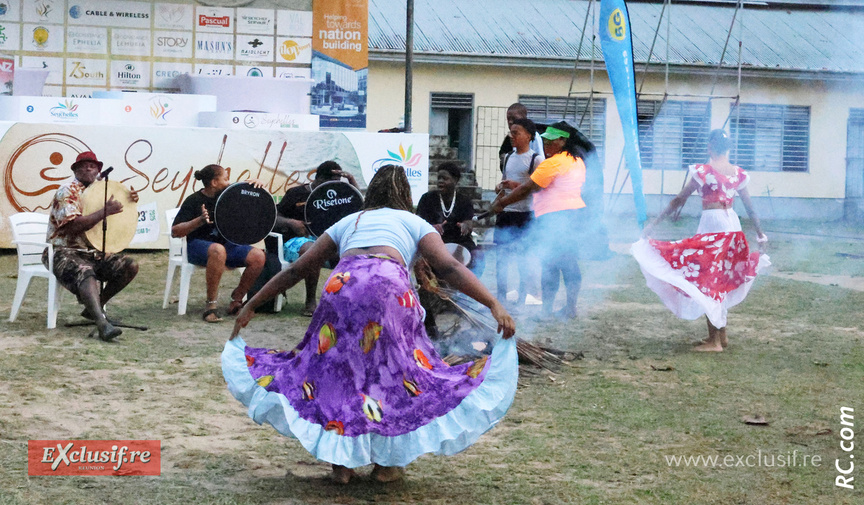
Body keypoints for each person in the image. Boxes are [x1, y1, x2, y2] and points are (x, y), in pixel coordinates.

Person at [223, 165, 517, 484]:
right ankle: (386, 465)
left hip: (342, 287)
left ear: (371, 193)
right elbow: (449, 267)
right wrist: (493, 303)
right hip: (388, 289)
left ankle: (342, 465)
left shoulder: (351, 221)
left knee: (338, 373)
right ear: (405, 195)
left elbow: (296, 270)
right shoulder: (414, 222)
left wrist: (252, 303)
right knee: (396, 375)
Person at [632, 129, 770, 352]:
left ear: (709, 147)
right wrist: (760, 234)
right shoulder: (738, 173)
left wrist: (654, 224)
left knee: (709, 281)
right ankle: (719, 336)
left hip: (713, 225)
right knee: (718, 280)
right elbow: (749, 207)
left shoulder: (703, 171)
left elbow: (679, 199)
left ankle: (715, 341)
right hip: (732, 228)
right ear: (728, 148)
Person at [490, 121, 588, 319]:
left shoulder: (552, 163)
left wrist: (502, 203)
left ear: (563, 141)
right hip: (574, 216)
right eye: (545, 140)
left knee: (550, 264)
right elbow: (546, 186)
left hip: (555, 218)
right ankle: (570, 307)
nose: (546, 143)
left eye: (552, 140)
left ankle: (546, 311)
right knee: (569, 263)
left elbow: (529, 189)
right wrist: (517, 184)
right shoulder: (576, 161)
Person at [43, 151, 140, 342]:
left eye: (93, 166)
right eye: (84, 165)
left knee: (130, 266)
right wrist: (104, 211)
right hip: (62, 251)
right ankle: (102, 323)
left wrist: (129, 199)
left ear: (98, 171)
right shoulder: (67, 192)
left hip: (91, 252)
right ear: (76, 170)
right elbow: (73, 227)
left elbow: (118, 217)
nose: (89, 168)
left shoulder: (102, 190)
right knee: (85, 270)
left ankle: (92, 308)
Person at [171, 164, 266, 323]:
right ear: (214, 182)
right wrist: (199, 221)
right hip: (197, 247)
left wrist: (257, 185)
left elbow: (249, 196)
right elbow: (175, 231)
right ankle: (210, 306)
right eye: (226, 179)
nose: (229, 183)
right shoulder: (194, 200)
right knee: (218, 250)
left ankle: (237, 299)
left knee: (258, 256)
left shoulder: (230, 196)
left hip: (226, 246)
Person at [267, 160, 358, 316]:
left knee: (351, 251)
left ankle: (344, 299)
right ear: (319, 179)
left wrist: (352, 181)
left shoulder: (341, 193)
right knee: (312, 250)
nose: (335, 187)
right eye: (331, 182)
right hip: (298, 241)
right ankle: (310, 301)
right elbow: (273, 217)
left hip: (329, 239)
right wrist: (291, 222)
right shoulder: (296, 193)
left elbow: (361, 207)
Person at [495, 117, 541, 307]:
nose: (511, 136)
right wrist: (500, 188)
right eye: (510, 133)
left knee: (523, 259)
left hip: (525, 215)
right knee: (501, 258)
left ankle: (522, 297)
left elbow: (538, 188)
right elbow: (505, 182)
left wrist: (517, 186)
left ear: (528, 136)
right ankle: (501, 297)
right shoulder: (507, 157)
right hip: (506, 214)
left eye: (516, 133)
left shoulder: (535, 160)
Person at [415, 162, 481, 271]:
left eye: (445, 178)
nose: (440, 181)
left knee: (478, 255)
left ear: (455, 181)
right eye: (439, 178)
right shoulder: (427, 199)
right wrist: (431, 227)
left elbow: (469, 222)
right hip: (434, 242)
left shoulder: (464, 201)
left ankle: (467, 285)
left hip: (459, 242)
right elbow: (418, 222)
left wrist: (466, 225)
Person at [498, 102, 545, 170]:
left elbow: (540, 161)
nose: (510, 122)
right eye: (508, 119)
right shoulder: (509, 138)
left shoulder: (534, 136)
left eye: (514, 118)